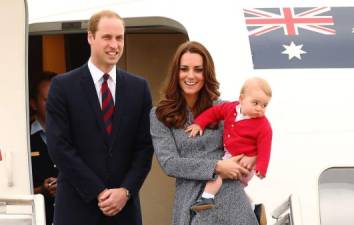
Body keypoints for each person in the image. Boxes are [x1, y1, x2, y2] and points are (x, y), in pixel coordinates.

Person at [46, 10, 154, 225]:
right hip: (77, 210)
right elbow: (59, 148)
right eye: (107, 37)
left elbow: (145, 148)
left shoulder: (139, 88)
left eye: (119, 38)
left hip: (124, 211)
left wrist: (125, 191)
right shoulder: (63, 86)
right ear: (90, 37)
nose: (114, 45)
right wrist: (99, 192)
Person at [150, 41, 261, 225]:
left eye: (198, 70)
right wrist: (217, 166)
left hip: (231, 200)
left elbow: (244, 145)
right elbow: (170, 163)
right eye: (184, 69)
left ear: (206, 73)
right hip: (191, 202)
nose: (190, 76)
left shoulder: (225, 109)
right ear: (176, 73)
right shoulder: (159, 114)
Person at [186, 77, 272, 212]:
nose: (259, 108)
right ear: (242, 99)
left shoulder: (263, 125)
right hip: (230, 154)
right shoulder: (230, 108)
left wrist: (261, 168)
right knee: (235, 188)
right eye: (255, 103)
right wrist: (199, 123)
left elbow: (265, 147)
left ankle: (206, 197)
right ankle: (253, 208)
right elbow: (213, 113)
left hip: (245, 163)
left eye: (264, 105)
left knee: (217, 173)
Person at [30, 71, 58, 225]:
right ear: (33, 104)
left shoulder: (77, 136)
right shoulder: (23, 140)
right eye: (48, 100)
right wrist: (42, 190)